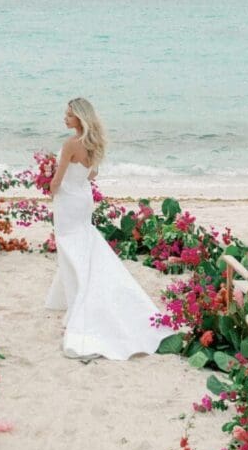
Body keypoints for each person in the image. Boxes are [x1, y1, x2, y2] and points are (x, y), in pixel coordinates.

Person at [44, 97, 176, 359]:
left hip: (69, 202)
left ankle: (80, 297)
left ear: (80, 118)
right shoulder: (93, 144)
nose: (65, 118)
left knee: (70, 246)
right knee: (83, 244)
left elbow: (57, 181)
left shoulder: (70, 144)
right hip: (83, 198)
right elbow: (91, 176)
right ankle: (70, 297)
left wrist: (49, 186)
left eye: (69, 115)